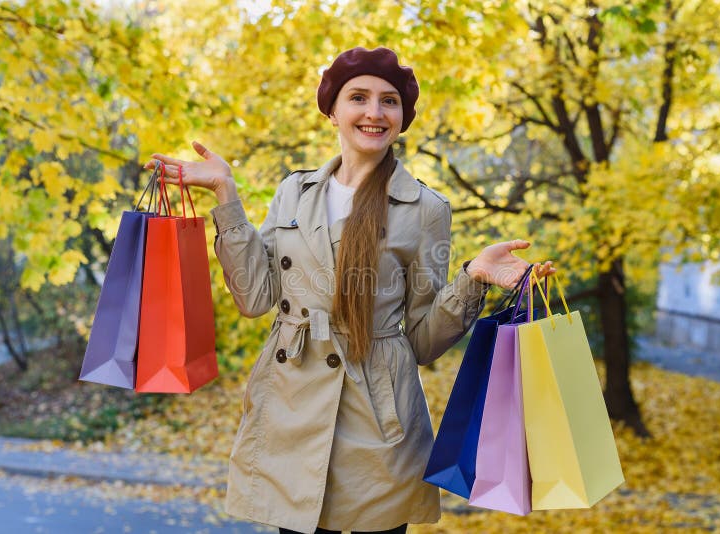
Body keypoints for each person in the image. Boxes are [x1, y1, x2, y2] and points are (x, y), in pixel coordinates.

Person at [145, 46, 554, 534]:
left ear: (402, 118)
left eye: (389, 102)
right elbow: (255, 297)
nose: (374, 112)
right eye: (358, 97)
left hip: (377, 417)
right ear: (333, 111)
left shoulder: (426, 210)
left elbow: (423, 342)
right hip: (292, 404)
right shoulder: (293, 192)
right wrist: (227, 198)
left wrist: (472, 278)